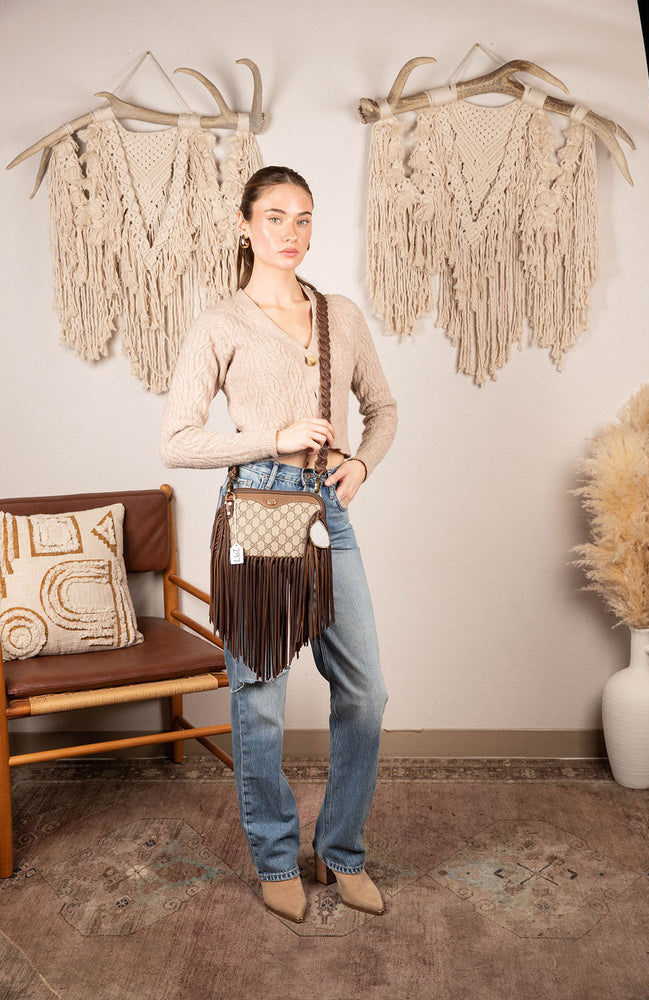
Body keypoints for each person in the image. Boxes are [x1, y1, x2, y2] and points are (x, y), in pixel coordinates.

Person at [161, 165, 397, 923]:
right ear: (244, 225)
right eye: (274, 217)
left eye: (303, 219)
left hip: (327, 510)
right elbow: (176, 441)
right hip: (257, 511)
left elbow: (383, 408)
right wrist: (273, 436)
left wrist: (362, 463)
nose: (290, 233)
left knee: (364, 690)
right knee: (259, 699)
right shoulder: (220, 323)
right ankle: (273, 858)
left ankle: (341, 851)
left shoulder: (340, 316)